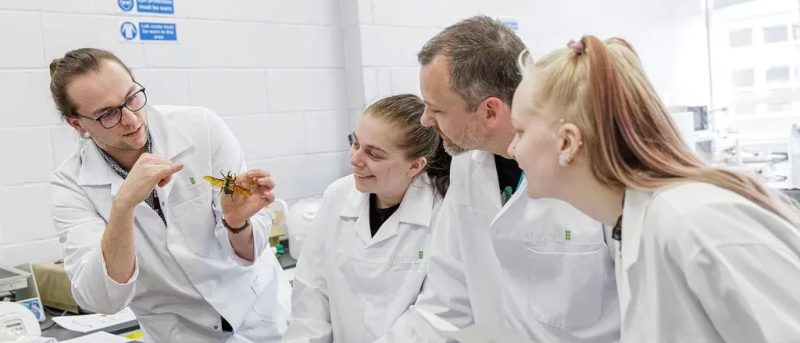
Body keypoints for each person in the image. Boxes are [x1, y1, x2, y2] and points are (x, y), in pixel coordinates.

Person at [509, 35, 800, 342]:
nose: (513, 148)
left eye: (520, 131)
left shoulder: (693, 222)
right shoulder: (634, 227)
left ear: (567, 142)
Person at [381, 16, 619, 342]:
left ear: (490, 111)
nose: (425, 120)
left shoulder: (598, 167)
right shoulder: (467, 165)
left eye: (437, 109)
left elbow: (651, 313)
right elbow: (444, 301)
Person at [49, 48, 291, 342]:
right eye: (108, 114)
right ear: (77, 124)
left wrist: (236, 223)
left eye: (132, 97)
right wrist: (124, 205)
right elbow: (102, 300)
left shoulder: (201, 127)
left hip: (262, 318)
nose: (131, 119)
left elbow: (248, 252)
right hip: (180, 333)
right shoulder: (70, 184)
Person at [283, 94, 451, 343]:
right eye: (356, 143)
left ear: (415, 166)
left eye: (374, 154)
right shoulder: (337, 195)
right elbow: (311, 292)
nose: (354, 159)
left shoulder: (443, 214)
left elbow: (433, 315)